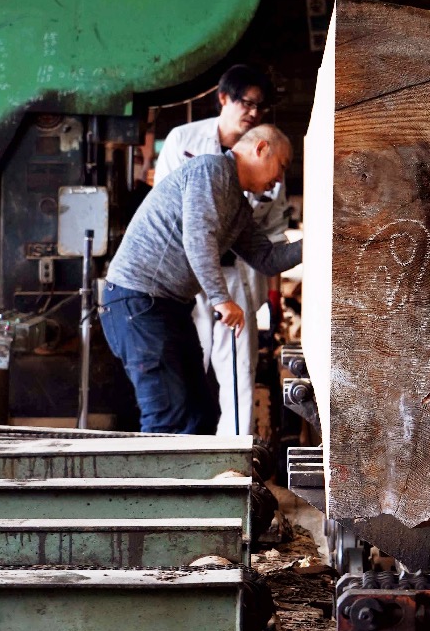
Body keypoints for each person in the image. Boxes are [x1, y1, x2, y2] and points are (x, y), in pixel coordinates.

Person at [99, 124, 302, 436]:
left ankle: (193, 486)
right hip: (138, 302)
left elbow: (267, 259)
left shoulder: (237, 203)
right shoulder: (212, 170)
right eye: (282, 166)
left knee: (200, 416)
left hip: (168, 306)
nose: (279, 180)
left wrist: (320, 242)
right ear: (261, 149)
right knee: (168, 417)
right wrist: (222, 299)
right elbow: (198, 237)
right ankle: (151, 486)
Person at [154, 64, 290, 437]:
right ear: (223, 98)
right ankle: (180, 457)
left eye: (260, 107)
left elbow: (275, 229)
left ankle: (236, 463)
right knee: (185, 366)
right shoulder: (183, 140)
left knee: (238, 372)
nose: (253, 112)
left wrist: (272, 291)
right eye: (247, 102)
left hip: (238, 276)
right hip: (188, 277)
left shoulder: (271, 158)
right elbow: (165, 211)